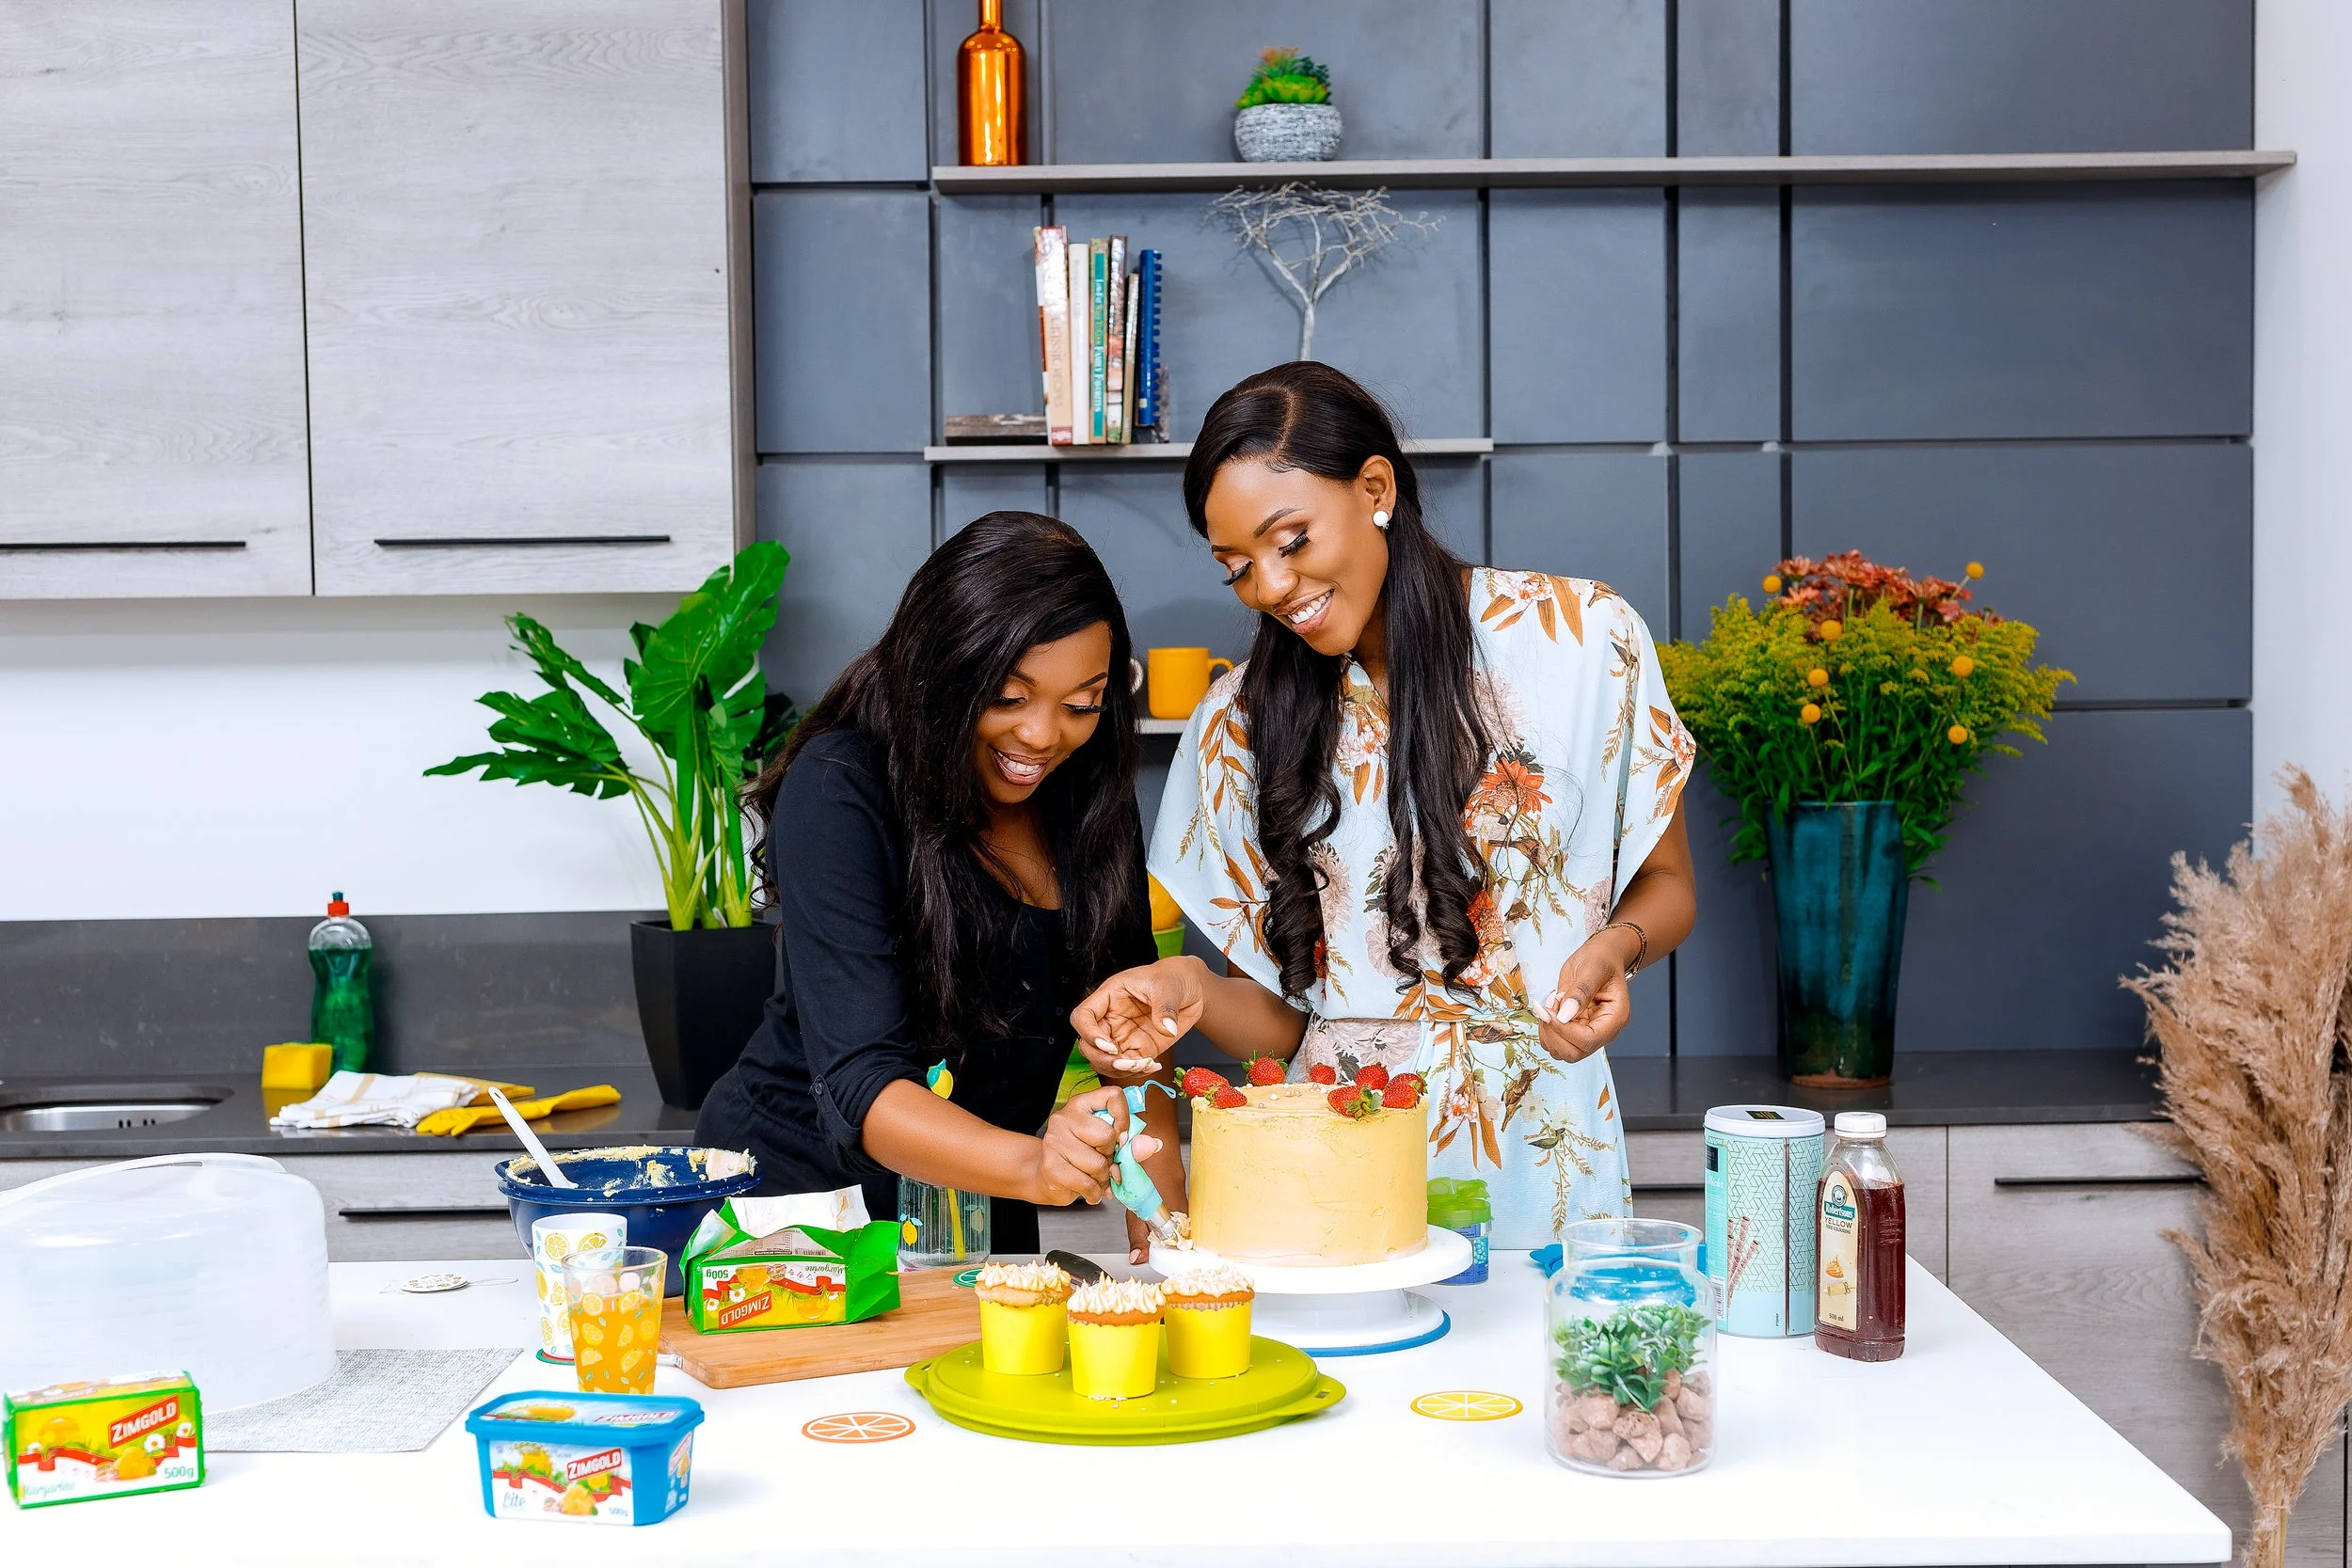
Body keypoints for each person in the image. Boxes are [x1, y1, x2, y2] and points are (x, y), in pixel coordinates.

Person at [1072, 363, 1698, 1244]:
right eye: (1238, 568)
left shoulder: (1586, 638)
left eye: (1289, 540)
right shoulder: (1239, 723)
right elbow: (1285, 1020)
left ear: (1375, 488)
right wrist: (1186, 987)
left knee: (1547, 1373)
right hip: (1338, 1159)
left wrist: (1614, 949)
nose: (1272, 587)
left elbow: (1669, 886)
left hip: (1545, 1147)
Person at [696, 512, 1183, 1260]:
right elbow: (862, 1083)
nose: (1044, 735)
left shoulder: (1086, 795)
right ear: (944, 670)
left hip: (982, 1213)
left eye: (1081, 703)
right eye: (1010, 697)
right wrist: (1035, 1163)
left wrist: (1174, 1224)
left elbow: (1136, 1026)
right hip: (798, 1212)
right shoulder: (841, 786)